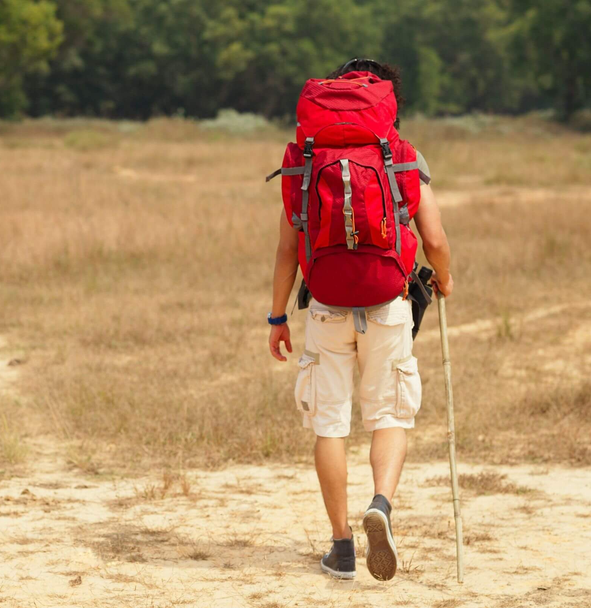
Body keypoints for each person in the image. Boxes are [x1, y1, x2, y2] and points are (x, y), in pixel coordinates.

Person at [266, 60, 453, 581]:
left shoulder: (305, 160)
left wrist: (277, 316)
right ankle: (381, 505)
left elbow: (287, 250)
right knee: (389, 416)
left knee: (329, 424)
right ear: (389, 103)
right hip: (388, 303)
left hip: (325, 306)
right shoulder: (402, 157)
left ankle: (342, 547)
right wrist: (445, 277)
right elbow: (435, 240)